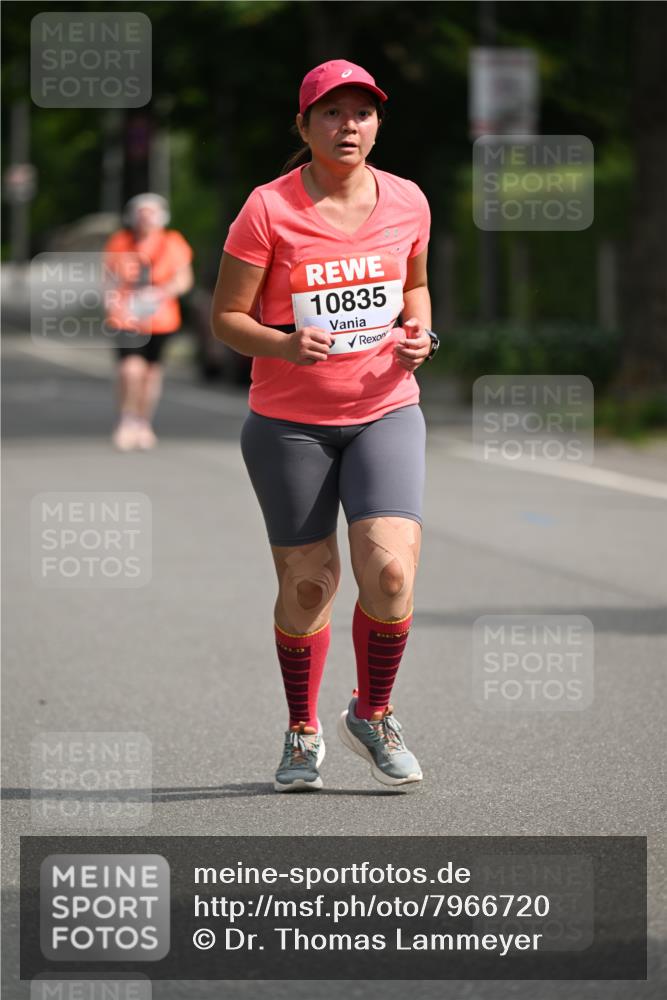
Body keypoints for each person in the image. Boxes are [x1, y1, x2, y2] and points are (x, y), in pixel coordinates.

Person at [211, 59, 439, 793]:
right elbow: (225, 319)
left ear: (377, 125)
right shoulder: (268, 208)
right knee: (308, 587)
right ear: (304, 125)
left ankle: (371, 713)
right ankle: (302, 731)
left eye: (363, 113)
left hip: (385, 409)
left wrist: (421, 336)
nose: (349, 126)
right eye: (333, 113)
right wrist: (281, 343)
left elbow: (415, 287)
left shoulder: (407, 200)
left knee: (392, 571)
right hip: (289, 423)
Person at [104, 193, 194, 451]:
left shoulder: (172, 242)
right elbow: (109, 276)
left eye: (151, 213)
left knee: (151, 374)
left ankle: (143, 422)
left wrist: (161, 292)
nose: (146, 219)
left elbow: (183, 279)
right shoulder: (120, 241)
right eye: (141, 213)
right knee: (130, 370)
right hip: (127, 317)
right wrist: (112, 301)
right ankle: (126, 419)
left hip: (160, 317)